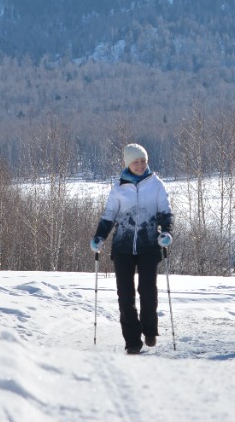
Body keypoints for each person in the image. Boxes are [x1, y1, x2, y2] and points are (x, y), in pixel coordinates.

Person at [91, 143, 173, 354]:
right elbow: (109, 216)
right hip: (123, 247)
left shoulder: (156, 185)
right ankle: (132, 341)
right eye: (135, 161)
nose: (140, 165)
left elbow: (165, 211)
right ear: (128, 163)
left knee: (147, 291)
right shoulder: (118, 188)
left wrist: (166, 231)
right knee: (125, 295)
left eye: (143, 161)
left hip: (148, 245)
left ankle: (150, 330)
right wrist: (100, 236)